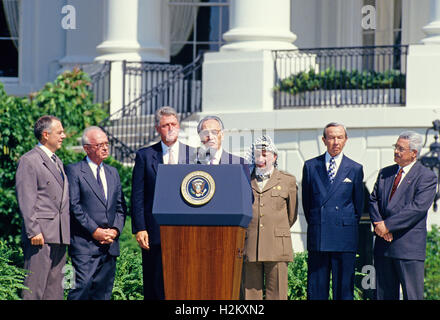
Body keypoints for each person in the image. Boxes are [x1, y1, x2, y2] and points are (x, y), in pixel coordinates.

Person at [131, 106, 195, 300]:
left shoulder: (194, 155)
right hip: (154, 232)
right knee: (155, 285)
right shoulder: (145, 155)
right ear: (157, 128)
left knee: (184, 283)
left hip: (186, 231)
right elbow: (138, 195)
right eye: (165, 125)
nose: (170, 128)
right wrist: (140, 228)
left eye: (173, 124)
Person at [369, 131, 437, 300]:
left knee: (412, 296)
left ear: (414, 153)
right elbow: (373, 200)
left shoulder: (426, 176)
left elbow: (417, 209)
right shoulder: (385, 173)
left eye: (401, 148)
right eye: (396, 147)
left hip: (408, 249)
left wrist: (388, 226)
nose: (396, 151)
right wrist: (379, 224)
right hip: (383, 247)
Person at [301, 122, 364, 300]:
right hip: (319, 235)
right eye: (331, 137)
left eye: (340, 137)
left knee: (344, 291)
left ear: (346, 140)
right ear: (324, 140)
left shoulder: (355, 168)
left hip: (344, 237)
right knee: (316, 290)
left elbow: (358, 206)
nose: (335, 141)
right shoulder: (311, 166)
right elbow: (308, 204)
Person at [65, 126, 126, 300]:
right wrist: (95, 231)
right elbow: (74, 206)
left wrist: (115, 230)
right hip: (85, 245)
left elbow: (121, 207)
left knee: (103, 294)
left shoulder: (113, 172)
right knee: (80, 290)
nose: (106, 148)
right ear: (87, 148)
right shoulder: (75, 171)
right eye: (100, 145)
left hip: (109, 246)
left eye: (107, 143)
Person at [15, 115, 70, 300]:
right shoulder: (29, 160)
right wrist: (33, 231)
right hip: (40, 236)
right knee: (34, 290)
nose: (64, 135)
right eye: (59, 132)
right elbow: (26, 198)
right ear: (45, 135)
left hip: (59, 235)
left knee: (55, 292)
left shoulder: (57, 161)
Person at [242, 135, 298, 300]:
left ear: (274, 157)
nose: (261, 158)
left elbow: (291, 215)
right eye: (257, 154)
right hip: (250, 244)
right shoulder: (244, 180)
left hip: (277, 245)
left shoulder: (288, 180)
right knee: (250, 295)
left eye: (265, 154)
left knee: (278, 294)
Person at [195, 115, 251, 181]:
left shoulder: (239, 163)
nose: (210, 137)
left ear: (222, 135)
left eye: (214, 132)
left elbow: (245, 190)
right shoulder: (191, 163)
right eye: (205, 132)